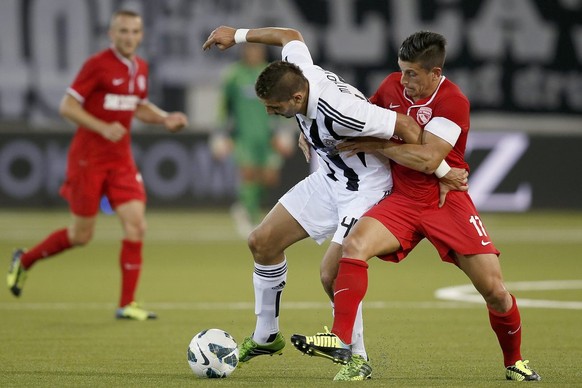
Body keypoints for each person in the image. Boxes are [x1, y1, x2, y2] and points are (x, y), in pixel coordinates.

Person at [203, 26, 466, 381]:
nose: (269, 113)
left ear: (297, 99)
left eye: (274, 108)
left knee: (332, 272)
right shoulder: (298, 73)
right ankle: (267, 336)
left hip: (366, 188)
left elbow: (406, 125)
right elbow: (290, 35)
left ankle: (357, 357)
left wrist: (444, 169)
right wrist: (237, 35)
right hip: (330, 179)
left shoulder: (346, 112)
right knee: (261, 242)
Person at [290, 31, 541, 382]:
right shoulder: (392, 86)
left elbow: (426, 159)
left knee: (495, 292)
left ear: (435, 74)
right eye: (402, 71)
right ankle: (341, 340)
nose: (403, 81)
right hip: (402, 200)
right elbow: (357, 115)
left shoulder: (453, 101)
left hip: (446, 202)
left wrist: (377, 147)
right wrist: (311, 127)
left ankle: (515, 361)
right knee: (355, 245)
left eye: (413, 74)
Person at [6, 10, 188, 321]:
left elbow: (139, 107)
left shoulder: (141, 68)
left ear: (140, 36)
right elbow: (67, 106)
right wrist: (102, 127)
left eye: (134, 32)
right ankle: (25, 260)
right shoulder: (97, 65)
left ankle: (127, 303)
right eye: (123, 31)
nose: (129, 37)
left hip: (121, 161)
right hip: (87, 160)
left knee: (136, 224)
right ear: (111, 34)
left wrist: (164, 118)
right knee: (81, 235)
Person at [213, 43, 295, 235]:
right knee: (248, 174)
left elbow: (283, 103)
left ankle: (244, 208)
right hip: (244, 136)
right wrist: (221, 135)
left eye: (257, 50)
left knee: (268, 178)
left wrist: (283, 133)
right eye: (249, 50)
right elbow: (225, 108)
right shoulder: (234, 75)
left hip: (267, 136)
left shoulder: (270, 74)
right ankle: (250, 217)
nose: (253, 53)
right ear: (243, 52)